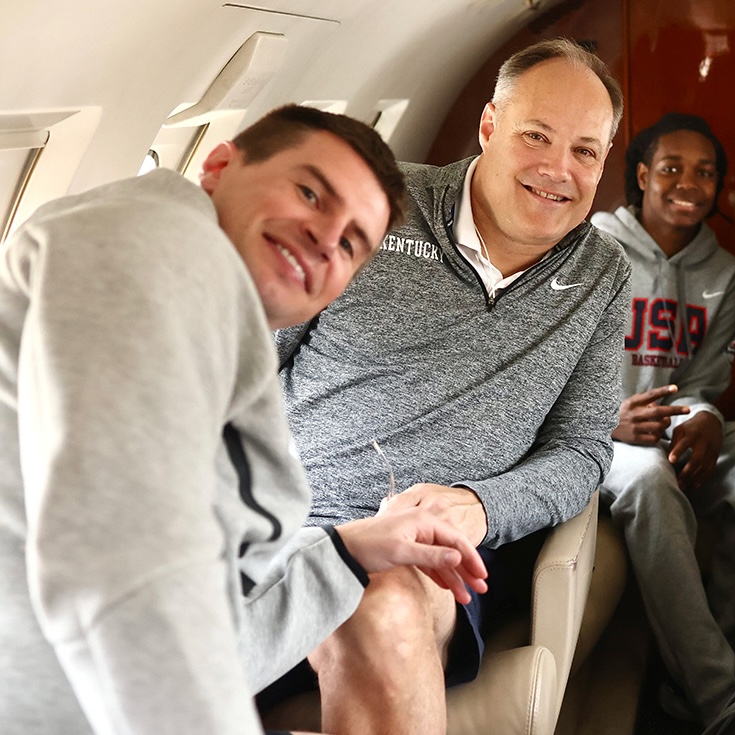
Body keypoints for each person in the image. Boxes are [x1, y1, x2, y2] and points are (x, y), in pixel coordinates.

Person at [0, 105, 489, 735]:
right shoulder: (144, 248)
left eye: (348, 243)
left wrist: (346, 552)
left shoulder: (220, 338)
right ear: (218, 166)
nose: (324, 236)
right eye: (310, 193)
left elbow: (212, 640)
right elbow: (124, 577)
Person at [267, 40, 630, 734]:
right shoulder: (377, 204)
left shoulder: (600, 274)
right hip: (289, 525)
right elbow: (246, 367)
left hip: (437, 554)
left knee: (383, 600)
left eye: (586, 151)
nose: (559, 169)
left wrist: (479, 506)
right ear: (489, 126)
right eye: (536, 136)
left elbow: (583, 451)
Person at [590, 113, 735, 724]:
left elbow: (704, 382)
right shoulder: (591, 250)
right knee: (651, 479)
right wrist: (607, 419)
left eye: (704, 172)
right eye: (672, 168)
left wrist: (706, 416)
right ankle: (720, 699)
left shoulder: (727, 276)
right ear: (641, 176)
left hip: (672, 430)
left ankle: (710, 656)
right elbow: (549, 372)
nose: (688, 182)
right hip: (600, 439)